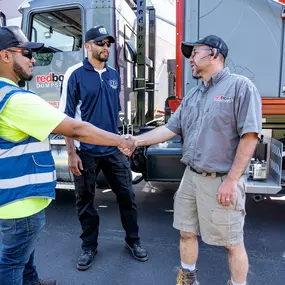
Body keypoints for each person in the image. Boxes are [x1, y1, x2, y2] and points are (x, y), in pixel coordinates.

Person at [0, 26, 134, 285]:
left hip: (14, 196)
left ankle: (32, 281)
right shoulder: (15, 99)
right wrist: (120, 141)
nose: (33, 60)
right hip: (20, 201)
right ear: (5, 56)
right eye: (27, 53)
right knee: (12, 262)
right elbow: (75, 127)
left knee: (23, 254)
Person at [123, 35, 262, 285]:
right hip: (191, 177)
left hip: (221, 180)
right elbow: (170, 128)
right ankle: (187, 278)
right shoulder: (194, 94)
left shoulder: (240, 87)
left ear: (215, 54)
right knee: (186, 232)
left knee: (232, 243)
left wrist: (231, 180)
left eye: (195, 53)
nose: (190, 59)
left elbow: (250, 137)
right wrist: (136, 141)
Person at [59, 25, 148, 271]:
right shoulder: (75, 74)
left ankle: (133, 241)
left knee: (127, 197)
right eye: (100, 43)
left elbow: (113, 113)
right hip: (85, 151)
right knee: (85, 201)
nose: (105, 47)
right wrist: (71, 153)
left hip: (112, 149)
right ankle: (89, 246)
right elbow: (66, 118)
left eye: (108, 44)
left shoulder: (113, 74)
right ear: (87, 46)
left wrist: (121, 142)